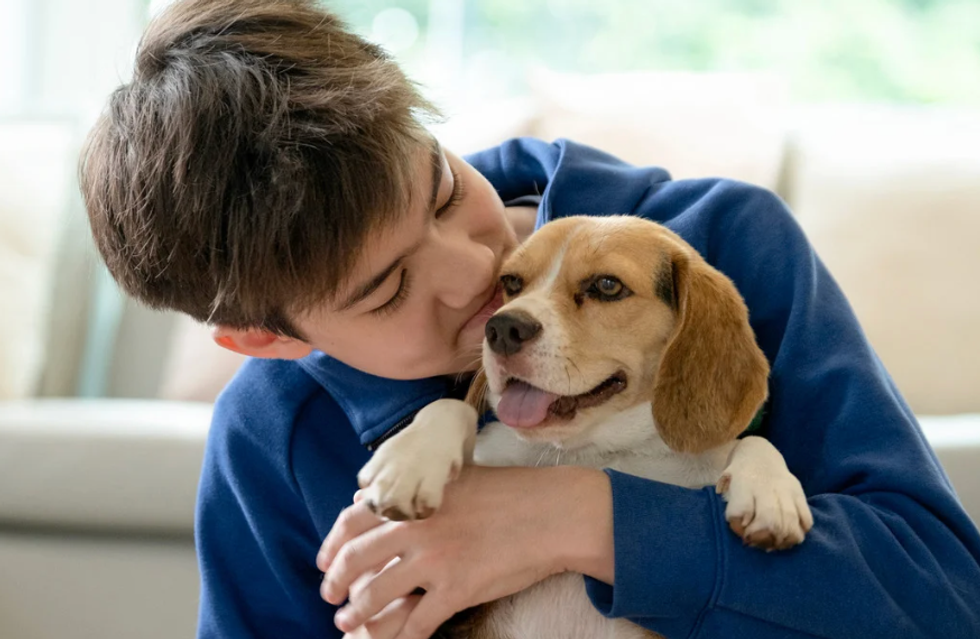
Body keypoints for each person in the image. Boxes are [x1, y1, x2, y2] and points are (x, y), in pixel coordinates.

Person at [79, 0, 980, 637]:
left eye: (443, 191)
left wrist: (581, 519)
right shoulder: (271, 430)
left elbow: (947, 601)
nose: (478, 275)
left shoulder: (726, 242)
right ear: (268, 339)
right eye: (387, 290)